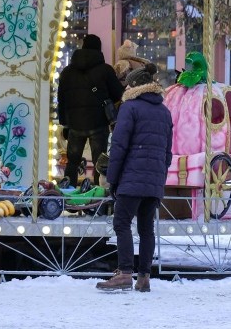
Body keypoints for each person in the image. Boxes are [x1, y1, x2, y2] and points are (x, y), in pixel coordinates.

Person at [97, 65, 172, 293]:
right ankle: (144, 277)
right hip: (154, 180)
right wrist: (160, 176)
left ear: (136, 86)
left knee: (121, 223)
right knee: (146, 228)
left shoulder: (130, 108)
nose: (126, 87)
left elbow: (119, 146)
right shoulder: (164, 111)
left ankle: (125, 272)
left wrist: (112, 179)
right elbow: (168, 152)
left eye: (129, 84)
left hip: (131, 178)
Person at [57, 34, 124, 187]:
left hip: (74, 124)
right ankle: (97, 199)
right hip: (98, 123)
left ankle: (68, 195)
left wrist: (65, 124)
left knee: (72, 163)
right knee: (99, 163)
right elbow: (119, 94)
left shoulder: (67, 72)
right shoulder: (106, 70)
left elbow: (62, 100)